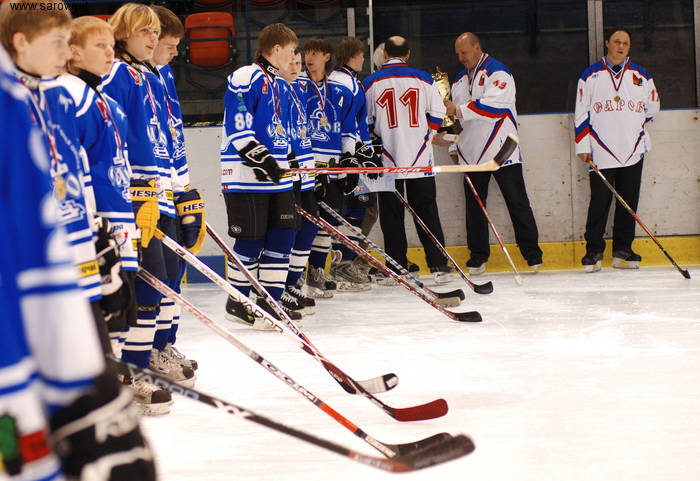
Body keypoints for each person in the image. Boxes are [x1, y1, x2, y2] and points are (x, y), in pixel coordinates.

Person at [0, 3, 155, 479]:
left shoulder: (43, 95)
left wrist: (93, 237)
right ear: (20, 42)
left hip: (59, 268)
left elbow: (70, 179)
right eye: (57, 43)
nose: (66, 53)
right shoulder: (23, 97)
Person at [102, 2, 188, 414]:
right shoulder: (117, 74)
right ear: (123, 34)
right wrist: (134, 190)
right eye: (145, 31)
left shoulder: (145, 74)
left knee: (163, 280)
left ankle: (146, 361)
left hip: (156, 193)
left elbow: (159, 139)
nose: (153, 38)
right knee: (143, 286)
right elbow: (114, 137)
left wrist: (178, 190)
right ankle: (128, 375)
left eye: (156, 31)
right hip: (133, 196)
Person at [220, 23, 301, 327]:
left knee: (283, 237)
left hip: (277, 178)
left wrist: (290, 161)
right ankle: (238, 301)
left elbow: (281, 132)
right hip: (245, 176)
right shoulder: (245, 76)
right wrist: (261, 157)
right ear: (276, 48)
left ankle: (270, 303)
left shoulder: (281, 85)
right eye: (291, 50)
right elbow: (238, 125)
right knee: (251, 240)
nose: (293, 57)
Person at [444, 32, 543, 275]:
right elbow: (454, 120)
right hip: (471, 153)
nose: (461, 57)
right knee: (474, 208)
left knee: (517, 202)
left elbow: (493, 109)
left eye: (464, 52)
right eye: (458, 53)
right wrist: (453, 145)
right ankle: (478, 257)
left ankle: (532, 253)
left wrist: (458, 110)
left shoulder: (498, 72)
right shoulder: (458, 80)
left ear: (477, 47)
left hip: (502, 151)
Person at [363, 35, 452, 284]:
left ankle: (397, 268)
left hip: (386, 161)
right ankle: (439, 266)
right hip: (420, 158)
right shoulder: (424, 79)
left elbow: (365, 122)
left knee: (391, 215)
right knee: (427, 211)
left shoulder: (370, 82)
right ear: (408, 54)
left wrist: (378, 138)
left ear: (384, 54)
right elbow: (438, 113)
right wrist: (426, 136)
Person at [574, 27, 660, 272]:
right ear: (607, 43)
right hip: (601, 150)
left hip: (632, 149)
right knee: (599, 203)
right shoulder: (590, 75)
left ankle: (623, 250)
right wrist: (583, 145)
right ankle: (593, 251)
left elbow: (653, 107)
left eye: (625, 43)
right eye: (617, 42)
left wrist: (633, 127)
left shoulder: (640, 75)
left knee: (628, 203)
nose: (621, 46)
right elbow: (581, 113)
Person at [149, 4, 202, 376]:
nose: (176, 51)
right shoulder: (132, 76)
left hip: (170, 187)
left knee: (172, 275)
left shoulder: (163, 74)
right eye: (169, 44)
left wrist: (182, 187)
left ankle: (165, 344)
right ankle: (149, 350)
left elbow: (173, 137)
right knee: (155, 279)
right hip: (149, 192)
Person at [297, 36, 356, 295]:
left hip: (331, 170)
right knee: (303, 224)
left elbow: (348, 129)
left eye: (315, 53)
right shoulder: (297, 86)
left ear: (327, 57)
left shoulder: (339, 92)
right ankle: (294, 275)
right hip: (306, 170)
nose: (309, 57)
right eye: (307, 52)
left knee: (327, 225)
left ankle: (316, 272)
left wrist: (349, 159)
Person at [328, 36, 381, 290]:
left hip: (355, 154)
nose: (363, 59)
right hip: (350, 157)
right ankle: (343, 264)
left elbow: (357, 124)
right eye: (361, 55)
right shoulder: (344, 83)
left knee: (359, 210)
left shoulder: (348, 81)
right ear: (351, 56)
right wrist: (360, 152)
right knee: (354, 211)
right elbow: (347, 125)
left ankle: (346, 261)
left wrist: (367, 152)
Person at [279, 49, 318, 314]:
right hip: (288, 171)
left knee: (309, 227)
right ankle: (279, 284)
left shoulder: (301, 87)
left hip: (306, 170)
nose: (295, 67)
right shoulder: (275, 89)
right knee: (287, 231)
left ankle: (292, 282)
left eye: (298, 63)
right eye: (290, 62)